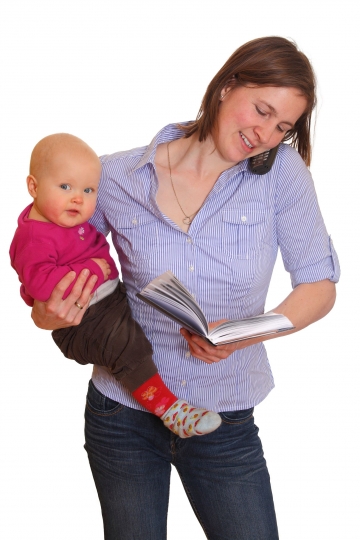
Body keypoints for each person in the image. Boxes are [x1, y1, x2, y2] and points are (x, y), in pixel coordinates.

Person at [31, 36, 340, 540]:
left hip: (225, 418)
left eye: (282, 126)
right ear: (227, 86)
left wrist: (245, 332)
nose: (264, 134)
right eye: (261, 111)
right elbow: (50, 259)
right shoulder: (115, 176)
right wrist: (48, 314)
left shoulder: (281, 175)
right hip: (123, 413)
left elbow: (319, 287)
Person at [9, 133, 222, 438]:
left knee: (148, 330)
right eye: (65, 187)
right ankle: (171, 411)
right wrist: (92, 268)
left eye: (88, 189)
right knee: (129, 349)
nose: (78, 198)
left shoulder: (64, 219)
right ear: (33, 187)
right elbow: (43, 287)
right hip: (83, 320)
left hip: (108, 302)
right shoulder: (34, 237)